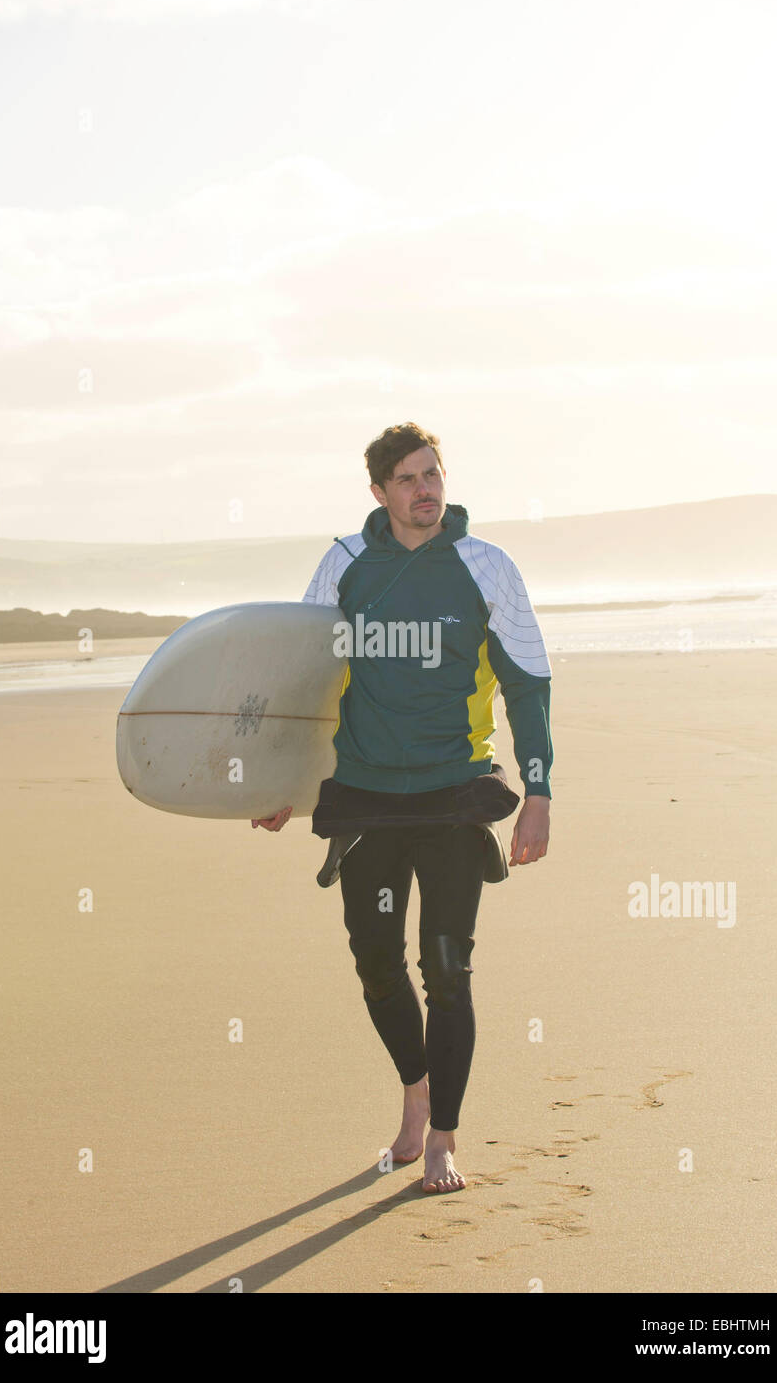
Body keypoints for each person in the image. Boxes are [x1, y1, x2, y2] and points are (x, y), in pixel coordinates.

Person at [252, 422, 553, 1194]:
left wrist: (538, 792)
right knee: (377, 964)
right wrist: (282, 782)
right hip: (367, 797)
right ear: (380, 492)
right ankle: (414, 1091)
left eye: (433, 475)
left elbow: (527, 683)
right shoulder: (345, 565)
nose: (426, 490)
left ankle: (444, 1137)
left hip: (454, 793)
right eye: (409, 479)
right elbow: (304, 681)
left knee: (447, 970)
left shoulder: (485, 567)